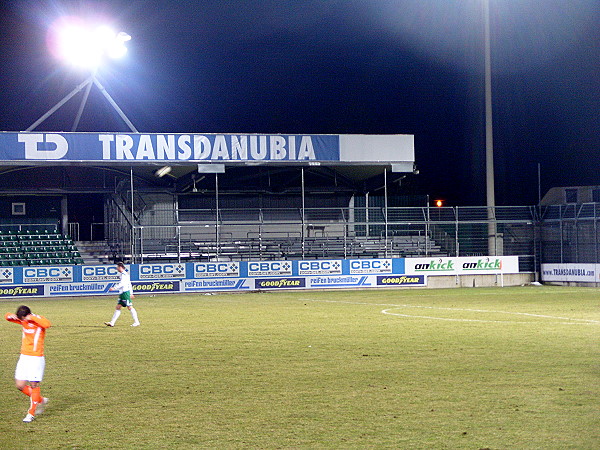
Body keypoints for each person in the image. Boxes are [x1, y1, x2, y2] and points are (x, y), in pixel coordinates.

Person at [5, 305, 51, 423]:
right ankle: (39, 400)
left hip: (36, 357)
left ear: (28, 315)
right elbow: (7, 317)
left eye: (24, 318)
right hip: (24, 357)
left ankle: (31, 414)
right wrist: (13, 316)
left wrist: (32, 318)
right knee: (20, 385)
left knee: (34, 385)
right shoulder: (23, 320)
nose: (22, 321)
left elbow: (47, 324)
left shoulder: (38, 320)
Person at [105, 262, 140, 327]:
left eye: (117, 267)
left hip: (125, 293)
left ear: (120, 267)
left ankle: (137, 322)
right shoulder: (125, 274)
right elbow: (129, 284)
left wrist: (114, 288)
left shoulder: (124, 275)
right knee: (118, 307)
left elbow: (122, 283)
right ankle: (112, 323)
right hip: (123, 293)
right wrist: (131, 293)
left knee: (129, 307)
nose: (117, 269)